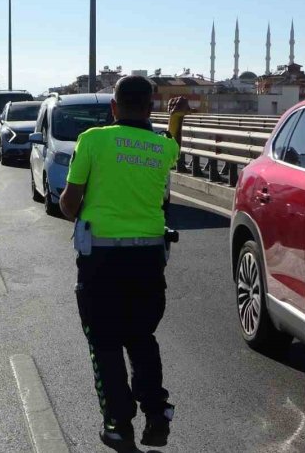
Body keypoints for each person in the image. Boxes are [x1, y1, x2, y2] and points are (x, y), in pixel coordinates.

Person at [59, 76, 184, 451]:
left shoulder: (93, 140)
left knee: (105, 343)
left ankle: (118, 425)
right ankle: (157, 412)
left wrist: (84, 213)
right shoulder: (163, 149)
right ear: (150, 109)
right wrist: (177, 120)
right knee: (141, 337)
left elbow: (68, 202)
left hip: (103, 260)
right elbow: (174, 145)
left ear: (113, 107)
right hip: (148, 258)